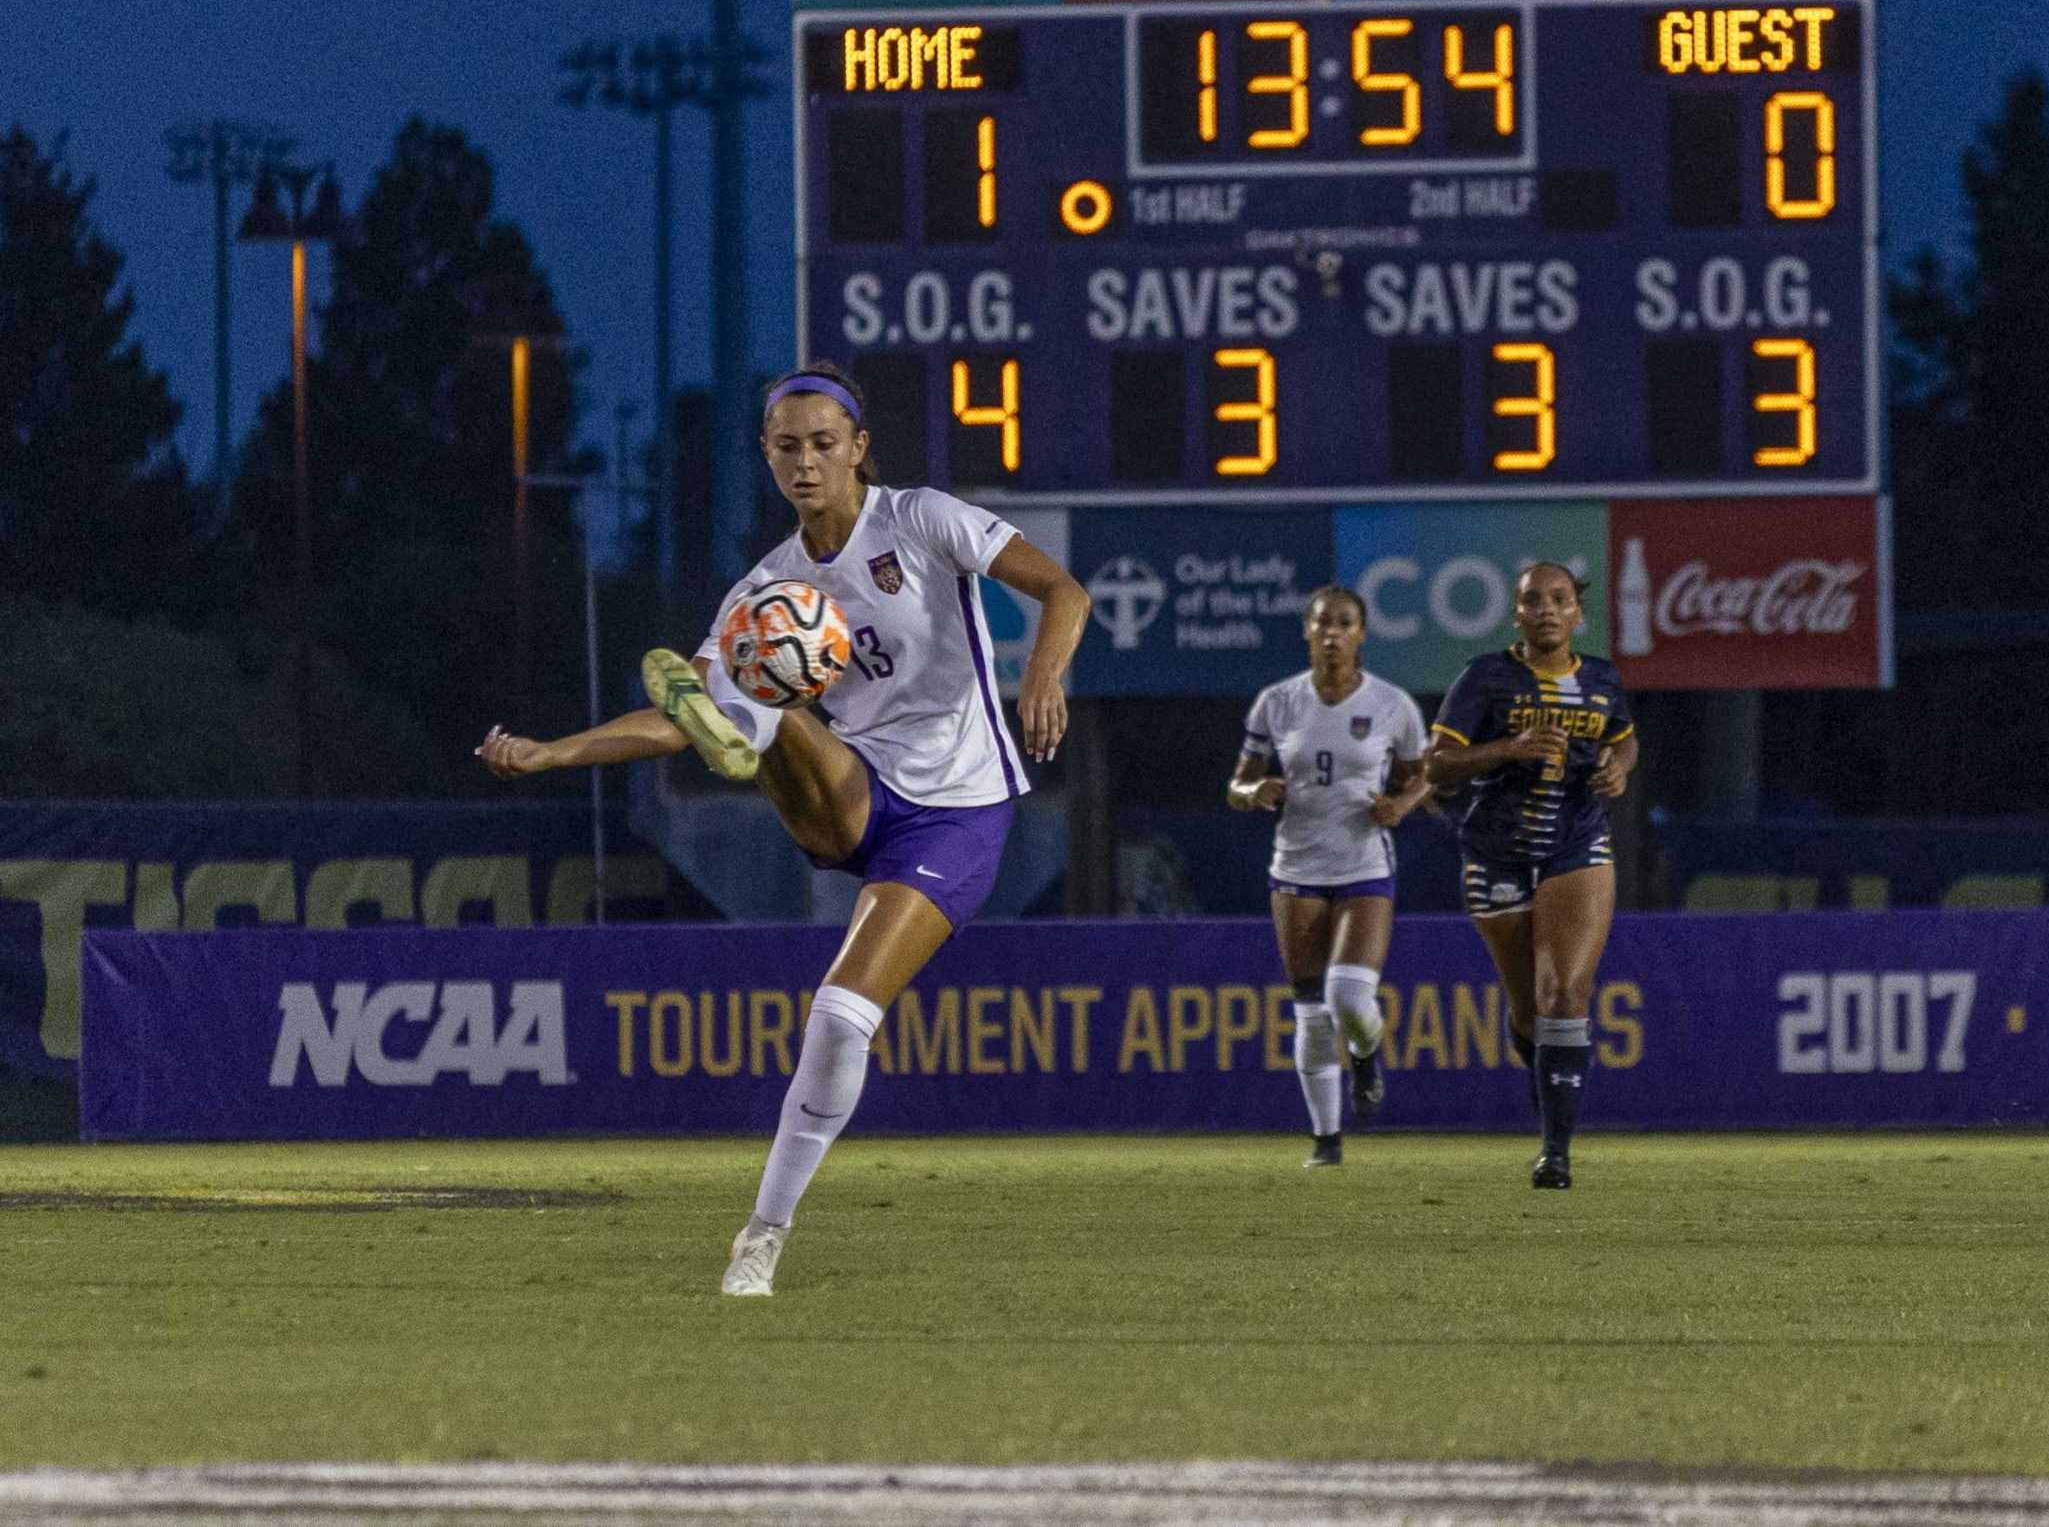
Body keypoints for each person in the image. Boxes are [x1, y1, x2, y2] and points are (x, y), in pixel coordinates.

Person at [477, 363, 1090, 1297]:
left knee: (843, 1015)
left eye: (823, 444)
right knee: (750, 675)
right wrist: (554, 753)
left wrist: (1042, 677)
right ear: (767, 456)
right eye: (787, 447)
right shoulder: (767, 589)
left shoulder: (922, 519)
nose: (806, 463)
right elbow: (670, 712)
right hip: (854, 795)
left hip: (960, 811)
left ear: (858, 449)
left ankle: (760, 1235)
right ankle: (755, 727)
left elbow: (1064, 591)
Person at [1423, 562, 1636, 1190]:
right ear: (1516, 613)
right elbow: (1437, 768)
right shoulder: (1486, 678)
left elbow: (1624, 740)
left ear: (1578, 614)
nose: (1547, 609)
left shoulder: (1600, 678)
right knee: (1528, 1012)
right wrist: (1508, 749)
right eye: (1533, 600)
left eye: (1560, 599)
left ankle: (1556, 1152)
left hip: (1577, 842)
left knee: (1566, 992)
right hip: (1498, 850)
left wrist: (1618, 769)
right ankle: (1544, 1078)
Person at [1227, 586, 1432, 1167]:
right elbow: (1236, 784)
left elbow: (1424, 775)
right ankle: (1326, 1141)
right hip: (1296, 865)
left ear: (1362, 633)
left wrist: (1401, 805)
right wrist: (1252, 792)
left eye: (1345, 623)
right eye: (1322, 623)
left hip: (1364, 862)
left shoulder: (1392, 705)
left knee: (1347, 996)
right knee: (1311, 1010)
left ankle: (1367, 1052)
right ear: (1307, 631)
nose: (1333, 633)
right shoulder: (1278, 702)